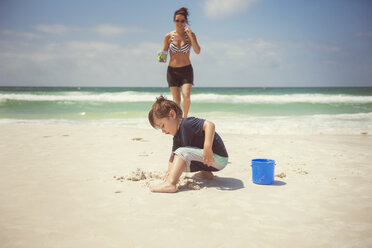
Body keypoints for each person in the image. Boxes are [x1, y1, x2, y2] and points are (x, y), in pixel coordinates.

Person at [148, 96, 228, 193]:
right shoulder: (177, 137)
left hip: (218, 157)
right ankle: (206, 174)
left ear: (172, 114)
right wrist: (170, 172)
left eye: (163, 126)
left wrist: (207, 147)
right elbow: (172, 157)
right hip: (209, 162)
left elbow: (210, 125)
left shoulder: (187, 123)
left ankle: (171, 184)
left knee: (182, 152)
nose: (163, 131)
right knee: (177, 163)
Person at [161, 7, 200, 118]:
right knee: (176, 100)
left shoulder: (191, 36)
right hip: (172, 71)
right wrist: (161, 57)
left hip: (186, 70)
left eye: (182, 21)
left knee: (186, 96)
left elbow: (197, 51)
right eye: (177, 20)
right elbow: (163, 53)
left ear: (185, 22)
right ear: (174, 21)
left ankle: (185, 118)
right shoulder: (168, 36)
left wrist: (191, 36)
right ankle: (178, 120)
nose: (179, 23)